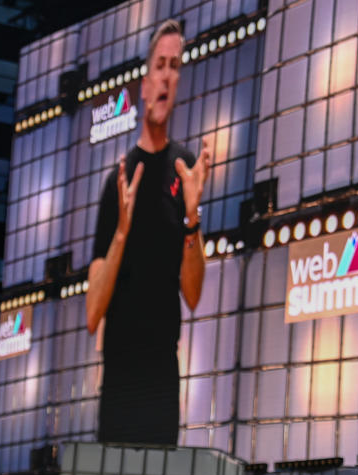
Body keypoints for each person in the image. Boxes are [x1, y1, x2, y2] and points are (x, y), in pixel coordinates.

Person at [86, 19, 211, 445]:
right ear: (144, 82)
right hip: (120, 376)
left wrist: (192, 217)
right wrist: (122, 231)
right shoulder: (117, 181)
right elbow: (90, 314)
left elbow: (193, 295)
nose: (167, 76)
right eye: (160, 65)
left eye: (175, 66)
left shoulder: (185, 169)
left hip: (162, 377)